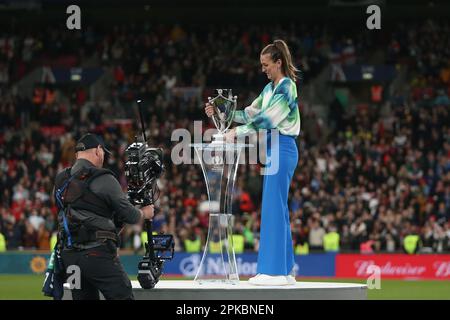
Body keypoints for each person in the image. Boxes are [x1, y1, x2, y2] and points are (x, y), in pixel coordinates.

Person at [205, 40, 300, 285]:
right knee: (277, 206)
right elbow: (248, 114)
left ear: (279, 63)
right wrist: (221, 113)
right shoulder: (269, 90)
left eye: (266, 65)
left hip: (282, 145)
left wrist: (236, 133)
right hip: (272, 147)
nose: (263, 69)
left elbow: (268, 119)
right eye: (261, 65)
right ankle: (286, 270)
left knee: (272, 206)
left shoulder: (287, 87)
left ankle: (273, 271)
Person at [54, 133, 154, 300]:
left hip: (69, 256)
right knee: (122, 296)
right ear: (99, 151)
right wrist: (145, 213)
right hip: (97, 254)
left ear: (77, 154)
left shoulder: (60, 179)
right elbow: (130, 215)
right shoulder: (104, 178)